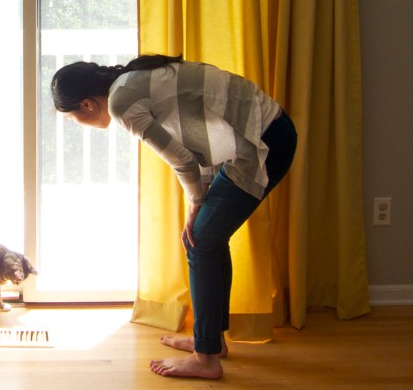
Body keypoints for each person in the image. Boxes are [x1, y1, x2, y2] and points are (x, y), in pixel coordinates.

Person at [50, 54, 297, 380]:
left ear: (86, 105)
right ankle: (210, 342)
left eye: (70, 119)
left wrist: (196, 204)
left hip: (262, 140)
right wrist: (201, 199)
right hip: (253, 136)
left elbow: (182, 159)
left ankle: (206, 358)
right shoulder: (129, 82)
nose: (74, 124)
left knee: (202, 239)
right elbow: (199, 138)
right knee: (206, 237)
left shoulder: (121, 103)